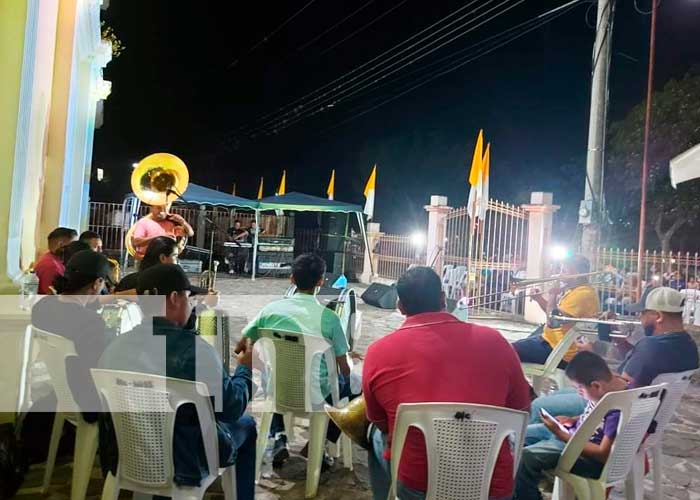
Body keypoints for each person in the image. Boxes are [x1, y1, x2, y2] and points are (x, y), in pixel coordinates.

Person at [362, 266, 531, 500]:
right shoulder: (496, 342)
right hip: (491, 487)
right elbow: (521, 409)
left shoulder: (378, 352)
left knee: (375, 434)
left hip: (418, 488)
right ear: (443, 298)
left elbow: (381, 422)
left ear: (400, 307)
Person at [98, 263, 256, 500]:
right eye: (189, 297)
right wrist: (245, 368)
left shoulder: (114, 348)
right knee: (247, 424)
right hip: (186, 462)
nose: (191, 304)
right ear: (174, 298)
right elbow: (231, 408)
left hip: (129, 452)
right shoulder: (197, 351)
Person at [242, 253, 354, 467]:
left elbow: (243, 345)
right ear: (321, 281)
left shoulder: (270, 310)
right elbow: (344, 369)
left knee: (278, 375)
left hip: (277, 389)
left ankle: (278, 439)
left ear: (291, 278)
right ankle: (318, 443)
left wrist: (261, 365)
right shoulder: (329, 318)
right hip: (315, 395)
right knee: (354, 387)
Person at [530, 286, 699, 423]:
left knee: (539, 406)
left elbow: (614, 386)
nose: (640, 318)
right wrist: (619, 341)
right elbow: (639, 368)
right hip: (645, 410)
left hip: (614, 407)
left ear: (658, 316)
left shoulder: (650, 346)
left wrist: (592, 354)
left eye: (643, 313)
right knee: (560, 394)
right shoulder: (688, 345)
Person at [515, 351, 627, 500]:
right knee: (516, 435)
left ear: (596, 385)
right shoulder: (607, 392)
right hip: (572, 434)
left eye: (579, 388)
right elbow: (596, 417)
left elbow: (602, 454)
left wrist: (560, 433)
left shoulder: (615, 409)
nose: (578, 393)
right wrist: (573, 419)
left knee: (525, 458)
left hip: (580, 454)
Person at [31, 250, 114, 421]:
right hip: (86, 403)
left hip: (59, 390)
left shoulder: (43, 306)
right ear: (97, 283)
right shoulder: (91, 323)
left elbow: (72, 310)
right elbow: (98, 369)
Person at [512, 255, 599, 366]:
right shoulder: (575, 290)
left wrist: (552, 295)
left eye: (564, 271)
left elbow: (552, 321)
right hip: (551, 341)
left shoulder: (582, 294)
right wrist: (539, 299)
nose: (560, 274)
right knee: (509, 348)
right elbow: (554, 314)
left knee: (507, 351)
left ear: (576, 274)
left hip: (559, 350)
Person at [115, 235, 179, 292]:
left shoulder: (127, 280)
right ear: (163, 258)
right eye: (175, 256)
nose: (178, 262)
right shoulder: (169, 286)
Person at [34, 227, 78, 294]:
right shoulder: (51, 266)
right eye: (73, 245)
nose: (76, 249)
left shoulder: (53, 259)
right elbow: (54, 299)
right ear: (61, 245)